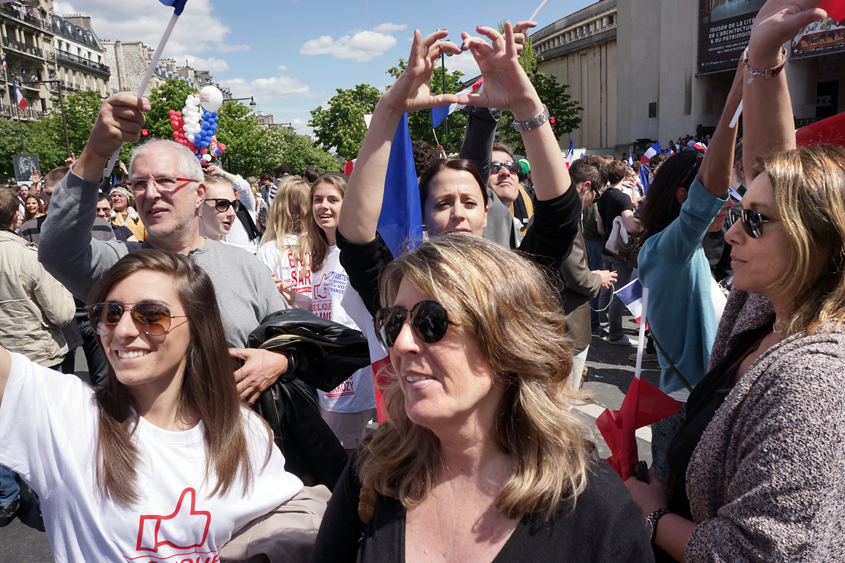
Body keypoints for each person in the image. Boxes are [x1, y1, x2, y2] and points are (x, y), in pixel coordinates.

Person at [625, 1, 845, 561]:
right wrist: (763, 59)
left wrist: (650, 517)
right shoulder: (768, 309)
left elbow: (754, 553)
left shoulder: (812, 382)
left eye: (753, 219)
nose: (732, 236)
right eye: (738, 211)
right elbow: (773, 170)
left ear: (814, 238)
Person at [310, 235, 652, 562]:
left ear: (507, 343)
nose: (400, 344)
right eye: (393, 321)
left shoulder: (596, 509)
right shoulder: (375, 467)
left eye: (430, 321)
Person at [0, 249, 327, 562]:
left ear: (198, 330)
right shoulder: (62, 412)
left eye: (151, 315)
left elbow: (281, 515)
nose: (123, 331)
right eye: (109, 314)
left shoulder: (243, 430)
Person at [337, 25, 581, 318]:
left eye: (469, 202)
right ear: (424, 216)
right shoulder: (401, 287)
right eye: (442, 203)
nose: (458, 213)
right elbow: (356, 241)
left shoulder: (513, 282)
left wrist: (525, 104)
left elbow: (559, 217)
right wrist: (389, 110)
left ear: (487, 212)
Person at [635, 62, 741, 486]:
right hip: (687, 410)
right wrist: (739, 93)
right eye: (724, 196)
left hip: (696, 405)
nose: (730, 204)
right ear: (684, 196)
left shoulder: (686, 253)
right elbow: (706, 197)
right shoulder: (666, 250)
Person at [0, 186, 74, 527]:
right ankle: (47, 502)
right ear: (17, 215)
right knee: (45, 433)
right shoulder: (28, 256)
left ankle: (6, 495)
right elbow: (61, 314)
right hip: (37, 355)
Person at [305, 173, 376, 455]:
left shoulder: (356, 252)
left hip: (353, 369)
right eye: (317, 199)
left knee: (344, 452)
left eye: (333, 199)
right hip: (325, 368)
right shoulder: (319, 252)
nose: (324, 206)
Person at [561, 156, 617, 388]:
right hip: (566, 323)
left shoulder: (561, 212)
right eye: (598, 194)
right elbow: (575, 277)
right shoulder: (566, 217)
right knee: (564, 404)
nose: (595, 201)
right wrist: (597, 278)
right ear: (586, 187)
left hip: (558, 320)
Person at [596, 159, 639, 346]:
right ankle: (616, 334)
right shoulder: (623, 198)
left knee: (606, 291)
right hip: (620, 251)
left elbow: (600, 228)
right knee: (619, 292)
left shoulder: (603, 196)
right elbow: (630, 227)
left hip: (606, 247)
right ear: (623, 176)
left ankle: (603, 329)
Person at [258, 176, 313, 309]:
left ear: (277, 207)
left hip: (286, 324)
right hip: (325, 323)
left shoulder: (268, 250)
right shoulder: (322, 245)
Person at [197, 174, 241, 242]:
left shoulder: (235, 252)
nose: (232, 213)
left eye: (234, 205)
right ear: (200, 207)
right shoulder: (179, 251)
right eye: (222, 205)